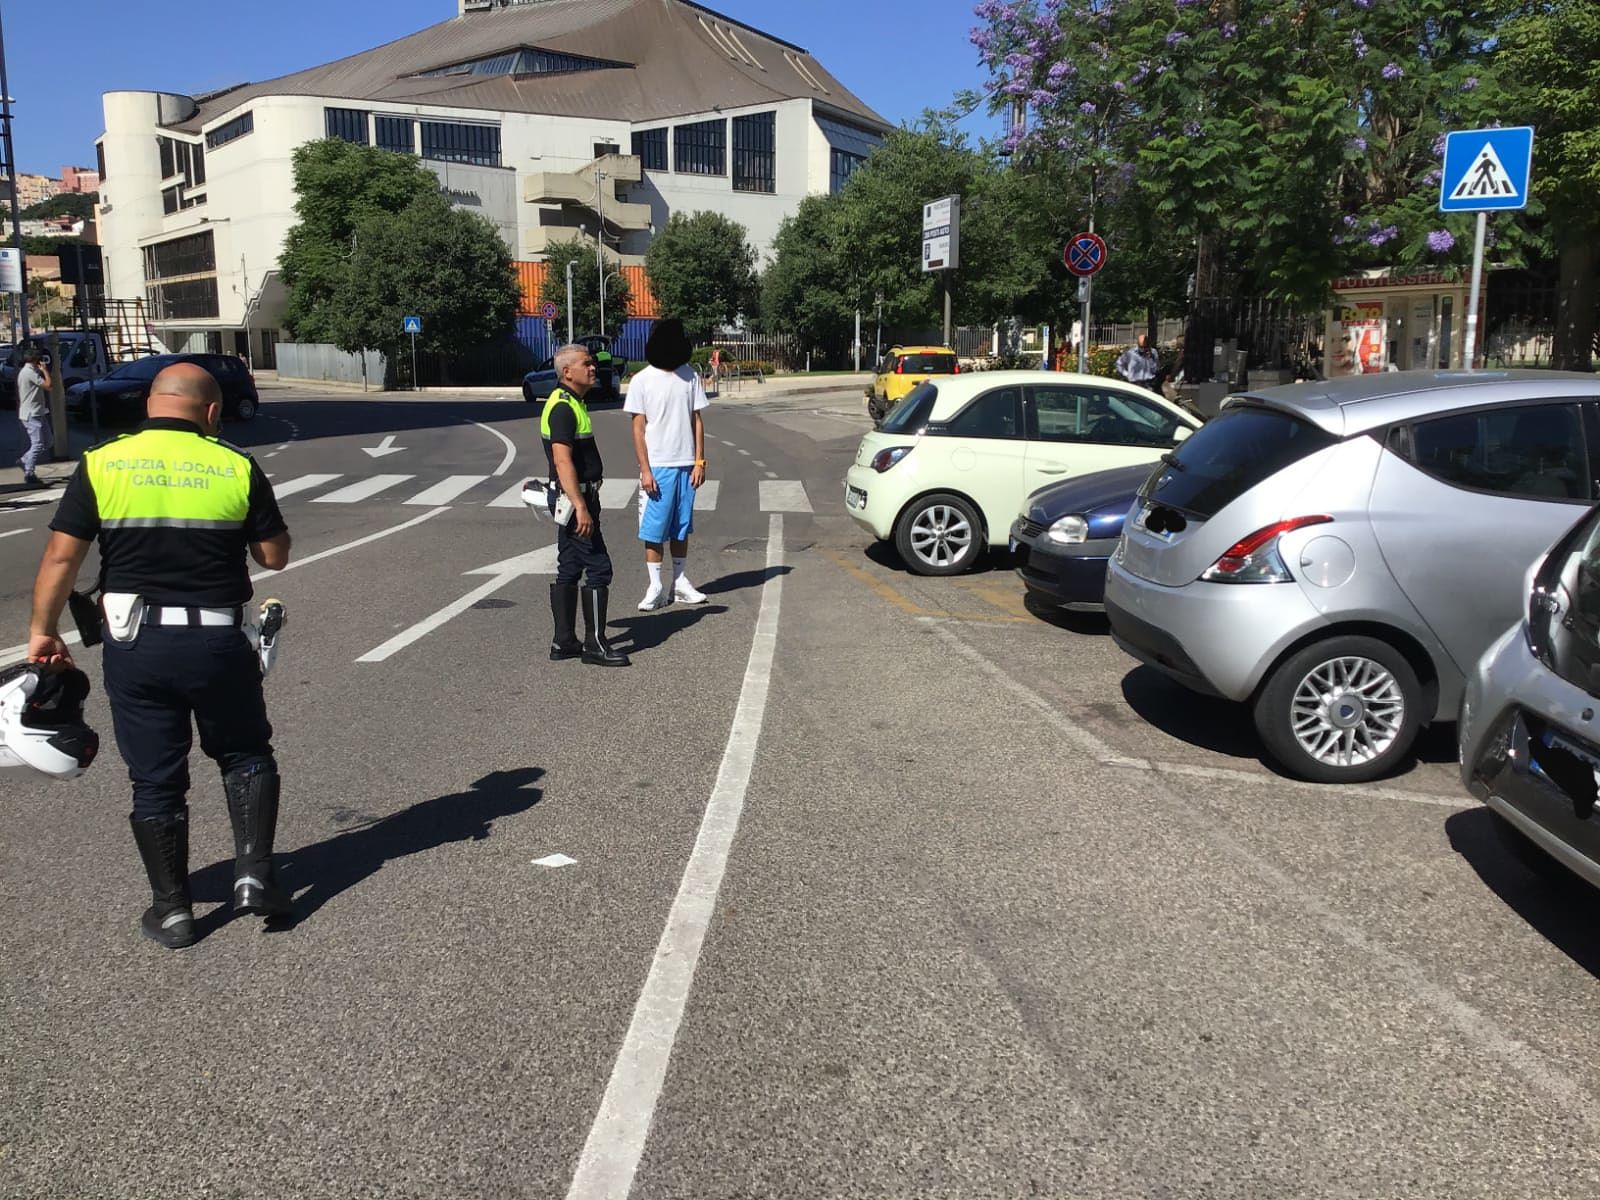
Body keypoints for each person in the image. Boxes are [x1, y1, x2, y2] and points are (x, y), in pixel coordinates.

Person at [27, 363, 293, 950]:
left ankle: (173, 911)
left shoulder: (103, 463)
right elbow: (273, 556)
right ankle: (254, 876)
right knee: (245, 753)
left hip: (137, 644)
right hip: (219, 643)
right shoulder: (235, 465)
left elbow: (59, 559)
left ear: (151, 403)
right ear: (212, 411)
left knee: (155, 780)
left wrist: (43, 631)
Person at [542, 343, 629, 668]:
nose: (593, 368)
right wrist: (580, 505)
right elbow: (562, 461)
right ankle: (595, 645)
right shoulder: (563, 407)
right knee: (598, 567)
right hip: (573, 497)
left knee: (569, 565)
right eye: (586, 364)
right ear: (567, 371)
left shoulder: (572, 402)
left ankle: (563, 641)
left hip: (575, 495)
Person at [626, 319, 709, 611]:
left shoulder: (690, 377)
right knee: (653, 530)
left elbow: (696, 421)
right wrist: (645, 469)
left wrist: (699, 460)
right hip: (658, 465)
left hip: (686, 464)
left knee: (681, 527)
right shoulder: (642, 380)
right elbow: (638, 428)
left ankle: (681, 582)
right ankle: (656, 586)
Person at [17, 347, 54, 489]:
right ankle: (29, 472)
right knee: (38, 444)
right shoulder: (28, 373)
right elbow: (48, 385)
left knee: (48, 442)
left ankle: (25, 459)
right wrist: (45, 370)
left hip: (38, 412)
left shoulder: (29, 372)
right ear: (35, 360)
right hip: (31, 414)